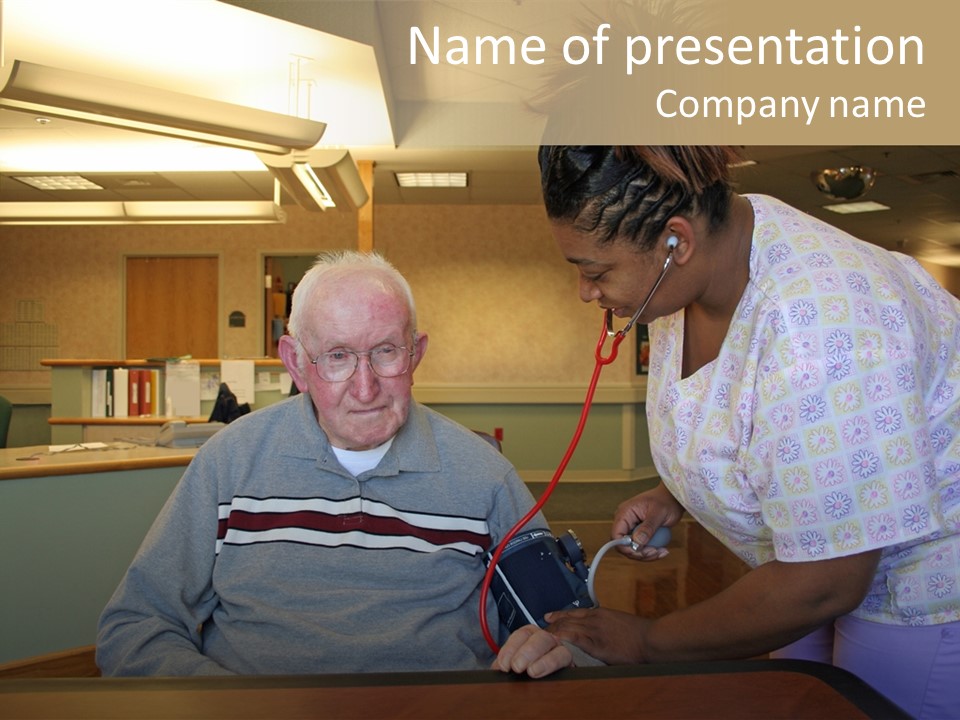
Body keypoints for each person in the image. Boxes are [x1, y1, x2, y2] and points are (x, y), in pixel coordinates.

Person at [494, 146, 960, 719]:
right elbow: (756, 418)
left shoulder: (821, 321)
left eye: (595, 271)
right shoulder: (700, 272)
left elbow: (828, 581)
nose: (587, 292)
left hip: (920, 585)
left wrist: (647, 642)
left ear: (676, 242)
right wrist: (675, 495)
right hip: (800, 564)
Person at [97, 250, 545, 676]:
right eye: (337, 357)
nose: (365, 388)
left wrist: (550, 650)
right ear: (295, 363)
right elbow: (135, 626)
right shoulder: (228, 463)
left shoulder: (485, 475)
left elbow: (566, 630)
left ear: (416, 353)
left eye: (386, 351)